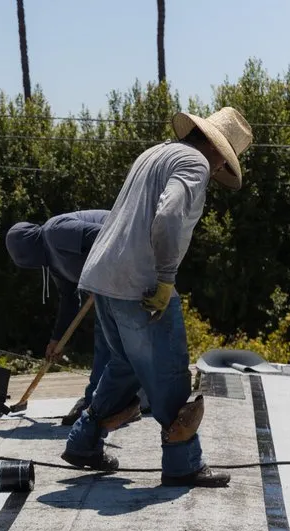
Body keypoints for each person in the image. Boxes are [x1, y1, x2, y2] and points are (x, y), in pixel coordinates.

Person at [62, 107, 252, 488]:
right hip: (140, 284)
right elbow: (167, 217)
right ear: (220, 154)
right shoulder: (196, 164)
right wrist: (165, 278)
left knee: (123, 366)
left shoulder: (156, 152)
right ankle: (183, 464)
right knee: (168, 373)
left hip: (103, 277)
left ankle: (83, 441)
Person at [5, 210, 143, 428]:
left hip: (132, 250)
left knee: (106, 338)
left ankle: (97, 404)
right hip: (113, 278)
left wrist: (100, 272)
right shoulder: (54, 262)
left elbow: (105, 234)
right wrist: (57, 339)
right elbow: (70, 300)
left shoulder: (55, 231)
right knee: (110, 338)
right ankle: (111, 402)